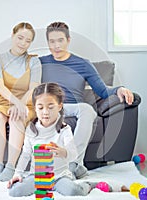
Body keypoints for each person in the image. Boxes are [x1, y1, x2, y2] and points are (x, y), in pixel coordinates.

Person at [40, 22, 134, 179]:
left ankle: (73, 163)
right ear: (48, 42)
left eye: (60, 40)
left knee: (87, 109)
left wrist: (119, 89)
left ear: (68, 40)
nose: (56, 46)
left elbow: (103, 91)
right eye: (52, 41)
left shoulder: (83, 64)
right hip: (48, 107)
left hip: (72, 107)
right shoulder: (40, 63)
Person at [7, 82, 128, 197]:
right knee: (14, 192)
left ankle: (89, 185)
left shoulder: (65, 129)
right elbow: (26, 154)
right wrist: (18, 173)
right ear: (35, 108)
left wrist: (63, 152)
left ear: (59, 106)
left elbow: (73, 154)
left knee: (73, 191)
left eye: (50, 107)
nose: (45, 112)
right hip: (37, 176)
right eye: (40, 107)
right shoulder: (31, 130)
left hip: (60, 177)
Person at [0, 22, 42, 181]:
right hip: (4, 103)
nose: (23, 43)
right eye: (20, 38)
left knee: (17, 116)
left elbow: (33, 88)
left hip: (27, 104)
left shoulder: (34, 61)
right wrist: (14, 102)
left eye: (28, 40)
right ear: (12, 35)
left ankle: (10, 167)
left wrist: (20, 104)